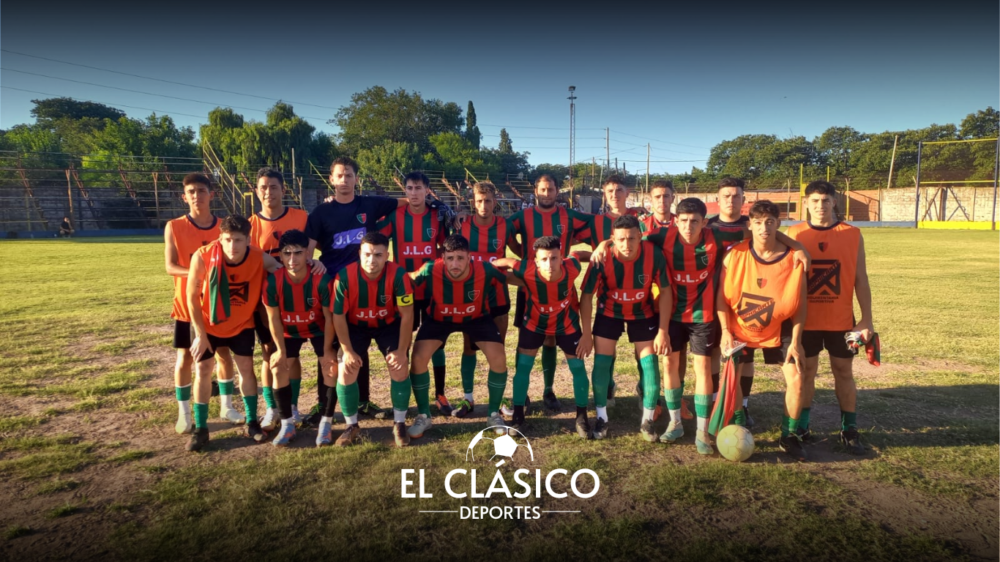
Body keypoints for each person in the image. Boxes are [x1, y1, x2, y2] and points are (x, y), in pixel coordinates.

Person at [304, 157, 406, 421]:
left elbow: (406, 201)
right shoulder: (321, 213)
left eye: (349, 175)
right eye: (340, 175)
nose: (345, 180)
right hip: (337, 288)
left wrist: (434, 203)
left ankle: (363, 402)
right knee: (334, 349)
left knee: (359, 342)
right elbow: (307, 250)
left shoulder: (369, 204)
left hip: (369, 284)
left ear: (356, 179)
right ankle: (323, 405)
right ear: (332, 179)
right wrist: (312, 261)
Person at [645, 198, 746, 453]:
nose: (688, 226)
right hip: (672, 315)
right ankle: (675, 422)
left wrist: (794, 245)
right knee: (669, 364)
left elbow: (753, 231)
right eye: (684, 221)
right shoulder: (661, 236)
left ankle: (702, 432)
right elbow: (630, 237)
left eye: (694, 221)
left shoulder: (717, 237)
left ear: (704, 222)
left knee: (701, 366)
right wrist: (605, 244)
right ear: (675, 220)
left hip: (703, 315)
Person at [717, 200, 808, 462]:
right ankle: (736, 425)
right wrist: (725, 331)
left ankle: (789, 436)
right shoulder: (734, 255)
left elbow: (800, 306)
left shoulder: (795, 259)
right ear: (750, 226)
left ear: (779, 224)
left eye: (770, 222)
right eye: (758, 223)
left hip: (781, 326)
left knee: (798, 378)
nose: (764, 228)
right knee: (733, 378)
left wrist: (797, 341)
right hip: (739, 327)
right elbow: (721, 299)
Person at [787, 181, 873, 455]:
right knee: (806, 373)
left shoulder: (852, 233)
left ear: (834, 202)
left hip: (842, 321)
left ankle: (849, 430)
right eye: (814, 201)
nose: (820, 206)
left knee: (844, 372)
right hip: (805, 321)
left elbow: (861, 279)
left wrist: (866, 320)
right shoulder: (794, 233)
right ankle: (802, 427)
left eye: (825, 200)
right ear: (806, 203)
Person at [185, 215, 281, 452]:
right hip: (208, 326)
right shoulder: (203, 255)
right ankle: (201, 428)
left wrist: (312, 265)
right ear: (220, 238)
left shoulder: (258, 257)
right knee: (204, 370)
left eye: (238, 240)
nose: (232, 246)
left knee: (246, 370)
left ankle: (251, 422)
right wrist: (200, 334)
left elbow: (282, 269)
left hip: (241, 326)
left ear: (248, 239)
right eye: (227, 240)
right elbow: (191, 298)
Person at [405, 235, 510, 438]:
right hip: (439, 319)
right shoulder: (430, 269)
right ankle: (424, 416)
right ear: (442, 257)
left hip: (476, 317)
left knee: (499, 357)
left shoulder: (484, 269)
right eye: (450, 258)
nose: (455, 263)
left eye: (460, 258)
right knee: (418, 359)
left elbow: (512, 278)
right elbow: (407, 278)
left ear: (469, 257)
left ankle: (493, 414)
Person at [579, 215, 672, 441]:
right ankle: (602, 417)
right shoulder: (602, 257)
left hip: (642, 313)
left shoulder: (653, 254)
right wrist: (586, 333)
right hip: (609, 312)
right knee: (601, 362)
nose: (626, 244)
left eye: (631, 238)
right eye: (621, 239)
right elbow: (586, 296)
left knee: (649, 364)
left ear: (640, 236)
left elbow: (667, 291)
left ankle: (647, 420)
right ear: (613, 239)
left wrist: (662, 331)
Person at [508, 174, 591, 412]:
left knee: (552, 338)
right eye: (542, 189)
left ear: (557, 192)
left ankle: (548, 389)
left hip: (560, 281)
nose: (546, 194)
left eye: (551, 189)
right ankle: (521, 395)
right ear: (536, 191)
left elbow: (597, 223)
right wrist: (520, 251)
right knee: (527, 337)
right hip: (531, 282)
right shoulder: (524, 216)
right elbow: (503, 230)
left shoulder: (568, 215)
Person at [493, 237, 591, 436]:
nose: (549, 264)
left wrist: (597, 255)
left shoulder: (572, 268)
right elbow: (509, 262)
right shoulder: (527, 270)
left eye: (554, 258)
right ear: (536, 261)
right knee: (523, 368)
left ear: (561, 258)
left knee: (578, 368)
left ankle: (582, 417)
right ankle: (518, 416)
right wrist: (492, 263)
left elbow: (579, 255)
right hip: (534, 325)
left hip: (567, 325)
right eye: (544, 259)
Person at [164, 174, 237, 435]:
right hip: (187, 304)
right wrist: (199, 273)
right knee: (185, 357)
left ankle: (227, 406)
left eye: (202, 191)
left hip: (219, 305)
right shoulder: (174, 226)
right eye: (191, 192)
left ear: (212, 194)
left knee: (224, 354)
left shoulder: (223, 227)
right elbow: (170, 266)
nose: (197, 196)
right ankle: (185, 414)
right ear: (184, 196)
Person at [250, 167, 322, 430]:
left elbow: (317, 248)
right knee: (270, 354)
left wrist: (318, 263)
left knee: (293, 356)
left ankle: (291, 407)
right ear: (256, 191)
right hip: (265, 301)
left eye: (273, 187)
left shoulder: (301, 217)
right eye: (263, 187)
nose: (268, 192)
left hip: (301, 298)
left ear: (283, 189)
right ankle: (272, 408)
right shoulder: (250, 225)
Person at [376, 172, 451, 414]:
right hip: (403, 289)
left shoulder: (435, 216)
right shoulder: (395, 215)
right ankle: (404, 397)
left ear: (427, 190)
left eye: (418, 188)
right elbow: (375, 239)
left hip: (431, 290)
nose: (414, 193)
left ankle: (440, 394)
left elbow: (444, 248)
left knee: (437, 345)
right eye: (409, 188)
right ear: (405, 191)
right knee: (402, 344)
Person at [332, 232, 415, 448]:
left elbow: (407, 315)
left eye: (378, 255)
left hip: (388, 324)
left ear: (387, 255)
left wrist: (402, 350)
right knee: (345, 369)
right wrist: (348, 350)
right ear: (359, 253)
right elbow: (338, 316)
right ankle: (351, 426)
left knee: (399, 366)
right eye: (367, 254)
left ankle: (399, 423)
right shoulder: (344, 277)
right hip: (355, 326)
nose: (372, 260)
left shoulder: (399, 275)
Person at [262, 230, 334, 446]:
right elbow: (273, 319)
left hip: (320, 329)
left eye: (298, 253)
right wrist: (280, 350)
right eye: (287, 254)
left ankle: (326, 423)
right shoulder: (273, 282)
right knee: (278, 366)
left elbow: (330, 319)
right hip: (289, 331)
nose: (292, 260)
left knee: (330, 366)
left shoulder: (322, 280)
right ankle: (286, 424)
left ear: (307, 254)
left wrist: (329, 349)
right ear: (280, 257)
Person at [456, 181, 520, 418]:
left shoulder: (505, 226)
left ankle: (500, 397)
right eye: (479, 201)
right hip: (471, 297)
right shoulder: (462, 225)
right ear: (473, 202)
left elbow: (520, 251)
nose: (484, 205)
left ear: (495, 202)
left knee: (499, 349)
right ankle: (468, 398)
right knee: (468, 347)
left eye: (488, 201)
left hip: (498, 294)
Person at [707, 177, 756, 426]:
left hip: (746, 301)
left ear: (743, 200)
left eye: (736, 195)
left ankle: (744, 405)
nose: (731, 199)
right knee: (716, 350)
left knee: (746, 357)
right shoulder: (706, 227)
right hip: (714, 299)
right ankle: (718, 400)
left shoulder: (754, 225)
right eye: (726, 195)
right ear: (717, 199)